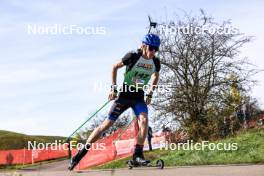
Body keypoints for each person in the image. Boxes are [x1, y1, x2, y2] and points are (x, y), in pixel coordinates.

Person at [68, 34, 161, 170]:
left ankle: (137, 155)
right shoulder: (133, 56)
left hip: (138, 98)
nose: (153, 51)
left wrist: (150, 93)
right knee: (106, 125)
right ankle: (79, 155)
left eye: (156, 49)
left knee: (144, 121)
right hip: (124, 96)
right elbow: (114, 67)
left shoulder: (156, 62)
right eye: (151, 48)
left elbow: (156, 76)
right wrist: (113, 88)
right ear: (144, 46)